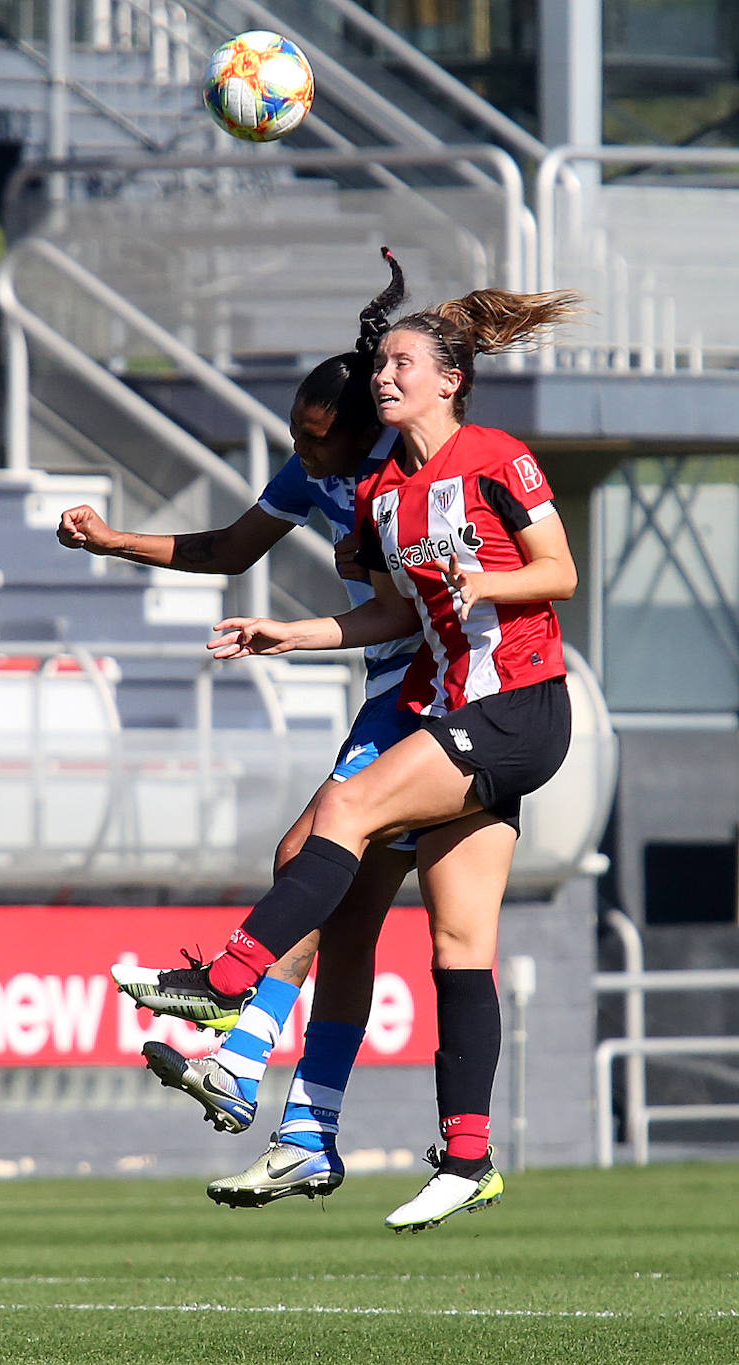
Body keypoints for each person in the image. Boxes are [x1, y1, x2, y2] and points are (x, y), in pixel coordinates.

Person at [125, 285, 582, 1232]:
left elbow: (560, 573)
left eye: (400, 367)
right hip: (465, 712)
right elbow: (386, 613)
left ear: (449, 382)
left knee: (340, 816)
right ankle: (466, 1157)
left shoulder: (498, 458)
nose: (385, 378)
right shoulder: (380, 496)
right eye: (382, 366)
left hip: (520, 706)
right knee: (459, 947)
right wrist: (288, 635)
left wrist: (484, 576)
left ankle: (226, 986)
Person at [60, 250, 425, 1207]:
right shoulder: (318, 476)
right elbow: (228, 549)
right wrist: (113, 540)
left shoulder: (409, 472)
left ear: (361, 432)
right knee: (336, 912)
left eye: (317, 441)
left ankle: (242, 1038)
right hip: (389, 688)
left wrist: (303, 629)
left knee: (312, 854)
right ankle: (286, 1109)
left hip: (438, 696)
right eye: (296, 437)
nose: (303, 456)